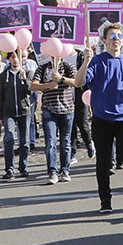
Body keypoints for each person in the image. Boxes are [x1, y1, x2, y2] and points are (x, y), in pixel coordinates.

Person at [73, 22, 123, 215]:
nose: (116, 40)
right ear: (104, 40)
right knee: (104, 161)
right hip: (102, 118)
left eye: (119, 36)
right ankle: (105, 201)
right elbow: (78, 82)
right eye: (112, 37)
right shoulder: (97, 61)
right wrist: (85, 61)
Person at [32, 54, 77, 184]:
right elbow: (33, 86)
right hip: (49, 110)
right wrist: (47, 85)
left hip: (67, 109)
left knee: (65, 142)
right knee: (50, 142)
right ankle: (52, 172)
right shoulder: (43, 68)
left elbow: (76, 82)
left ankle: (65, 170)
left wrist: (61, 79)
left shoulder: (68, 67)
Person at [0, 50, 32, 180]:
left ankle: (23, 167)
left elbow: (30, 92)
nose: (15, 60)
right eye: (13, 57)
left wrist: (24, 79)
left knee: (24, 141)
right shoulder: (3, 76)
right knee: (9, 139)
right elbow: (0, 96)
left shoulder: (27, 73)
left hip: (24, 111)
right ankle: (9, 169)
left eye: (18, 57)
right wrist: (1, 115)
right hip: (9, 112)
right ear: (9, 59)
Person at [71, 49, 96, 159]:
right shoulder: (58, 56)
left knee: (82, 123)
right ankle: (72, 152)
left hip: (81, 95)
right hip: (66, 96)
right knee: (71, 125)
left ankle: (89, 142)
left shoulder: (80, 55)